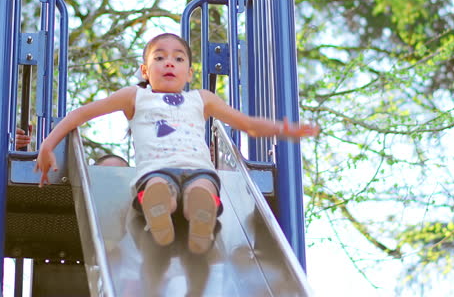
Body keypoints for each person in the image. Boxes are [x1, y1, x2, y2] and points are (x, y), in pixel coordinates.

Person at [35, 32, 319, 254]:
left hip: (199, 169)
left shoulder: (202, 98)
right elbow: (81, 114)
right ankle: (159, 210)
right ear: (145, 71)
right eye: (159, 58)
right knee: (159, 187)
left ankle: (200, 219)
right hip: (156, 170)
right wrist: (47, 145)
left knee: (204, 188)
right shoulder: (135, 96)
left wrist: (285, 128)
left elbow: (247, 124)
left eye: (178, 59)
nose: (169, 62)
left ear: (189, 72)